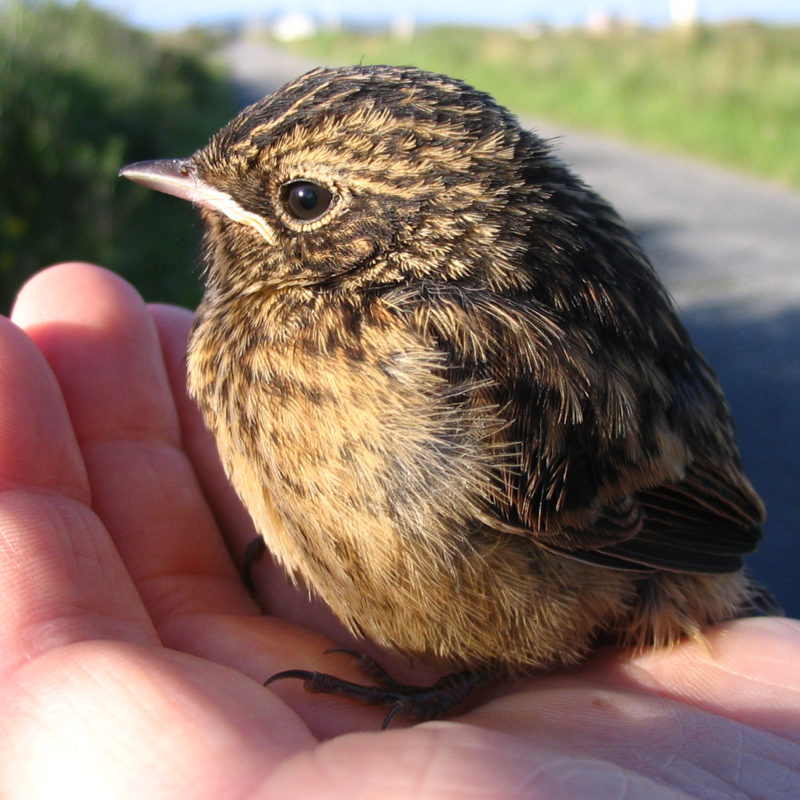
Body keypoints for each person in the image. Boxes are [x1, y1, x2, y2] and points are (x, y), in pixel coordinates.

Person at [1, 261, 797, 798]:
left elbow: (690, 519)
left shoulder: (427, 362)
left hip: (641, 564)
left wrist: (455, 687)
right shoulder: (281, 331)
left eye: (304, 202)